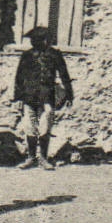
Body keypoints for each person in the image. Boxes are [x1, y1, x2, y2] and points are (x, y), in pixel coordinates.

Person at [13, 26, 74, 170]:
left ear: (45, 40)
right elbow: (19, 77)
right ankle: (31, 158)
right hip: (29, 96)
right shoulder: (27, 56)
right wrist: (18, 98)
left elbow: (64, 75)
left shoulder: (54, 55)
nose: (35, 43)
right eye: (33, 40)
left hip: (47, 95)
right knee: (29, 125)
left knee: (45, 126)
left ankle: (44, 158)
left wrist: (69, 95)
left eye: (38, 40)